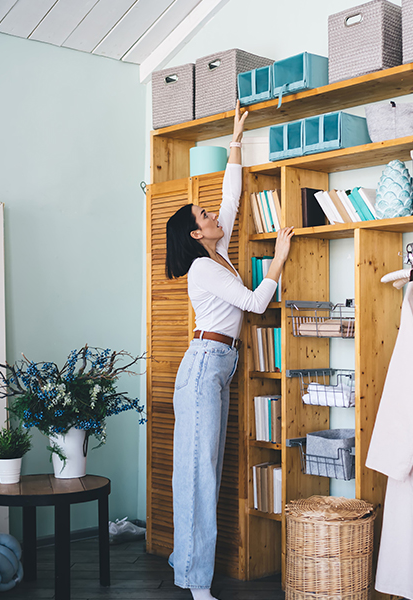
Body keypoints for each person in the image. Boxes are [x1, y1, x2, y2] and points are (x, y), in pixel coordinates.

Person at [165, 101, 294, 600]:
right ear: (197, 233)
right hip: (203, 368)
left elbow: (232, 194)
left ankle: (186, 563)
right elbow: (257, 303)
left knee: (203, 469)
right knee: (199, 473)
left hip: (215, 366)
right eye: (204, 214)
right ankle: (197, 583)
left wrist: (236, 137)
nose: (213, 212)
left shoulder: (215, 254)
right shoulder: (203, 269)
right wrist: (278, 260)